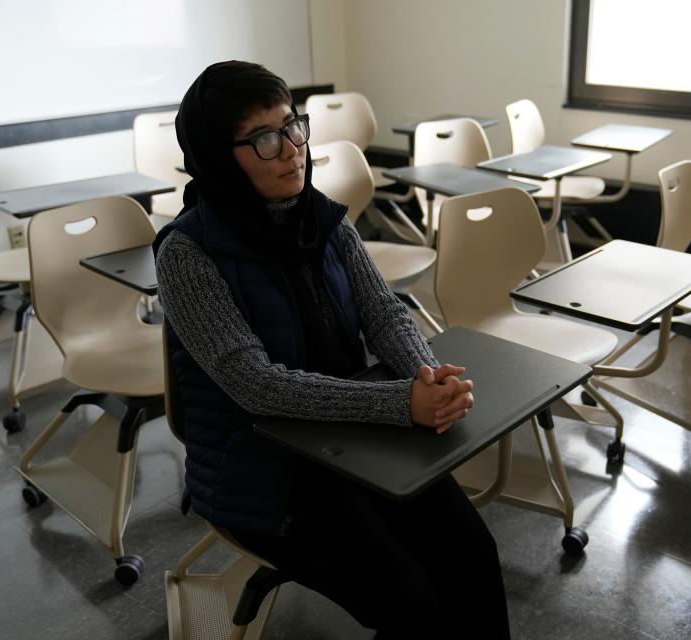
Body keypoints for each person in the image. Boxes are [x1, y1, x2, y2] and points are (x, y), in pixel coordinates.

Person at [155, 61, 510, 639]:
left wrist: (424, 373)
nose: (293, 148)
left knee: (472, 555)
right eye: (265, 139)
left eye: (293, 125)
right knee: (411, 601)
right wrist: (402, 405)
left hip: (353, 441)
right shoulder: (187, 254)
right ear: (219, 155)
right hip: (265, 471)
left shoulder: (319, 217)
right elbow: (255, 385)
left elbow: (384, 310)